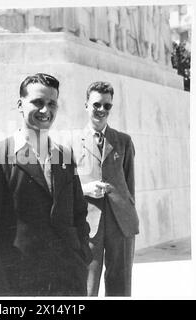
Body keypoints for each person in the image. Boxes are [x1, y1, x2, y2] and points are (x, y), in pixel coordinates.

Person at [0, 73, 92, 296]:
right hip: (19, 283)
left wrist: (81, 257)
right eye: (38, 102)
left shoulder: (65, 156)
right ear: (20, 105)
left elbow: (78, 213)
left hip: (67, 280)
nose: (45, 110)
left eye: (52, 104)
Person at [73, 81, 139, 296]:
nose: (101, 110)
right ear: (86, 105)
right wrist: (85, 189)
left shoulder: (123, 141)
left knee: (121, 286)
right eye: (96, 105)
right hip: (88, 224)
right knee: (87, 286)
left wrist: (129, 217)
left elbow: (129, 185)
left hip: (120, 223)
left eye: (107, 106)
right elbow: (64, 187)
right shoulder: (70, 143)